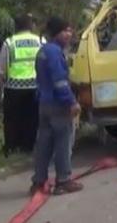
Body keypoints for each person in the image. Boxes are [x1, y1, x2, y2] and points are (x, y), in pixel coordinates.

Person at [30, 17, 82, 196]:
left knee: (43, 144)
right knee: (63, 142)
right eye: (66, 30)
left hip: (44, 104)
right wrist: (72, 102)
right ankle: (63, 181)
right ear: (56, 33)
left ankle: (38, 181)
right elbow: (59, 82)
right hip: (58, 105)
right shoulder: (54, 52)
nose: (69, 34)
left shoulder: (43, 51)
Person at [0, 14, 43, 154]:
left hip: (14, 88)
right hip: (35, 87)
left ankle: (11, 147)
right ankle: (29, 146)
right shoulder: (40, 41)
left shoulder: (10, 43)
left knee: (12, 120)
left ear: (16, 27)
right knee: (32, 119)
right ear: (31, 26)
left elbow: (0, 70)